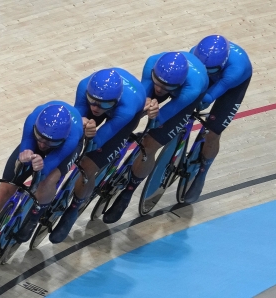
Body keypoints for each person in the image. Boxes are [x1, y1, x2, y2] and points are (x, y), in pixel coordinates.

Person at [0, 101, 84, 263]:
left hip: (60, 152)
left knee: (47, 181)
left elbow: (47, 168)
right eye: (39, 138)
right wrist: (25, 155)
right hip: (46, 138)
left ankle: (34, 216)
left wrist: (41, 167)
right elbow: (27, 145)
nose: (42, 144)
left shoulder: (71, 138)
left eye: (48, 142)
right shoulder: (33, 120)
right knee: (6, 187)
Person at [102, 51, 209, 223]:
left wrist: (153, 116)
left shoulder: (192, 87)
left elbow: (163, 116)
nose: (159, 89)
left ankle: (128, 191)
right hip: (168, 81)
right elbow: (142, 97)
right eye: (157, 83)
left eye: (163, 87)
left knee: (149, 143)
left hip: (183, 97)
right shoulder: (152, 62)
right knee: (136, 110)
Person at [48, 68, 148, 243]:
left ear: (115, 100)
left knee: (88, 165)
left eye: (103, 105)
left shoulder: (127, 108)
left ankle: (74, 209)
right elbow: (77, 124)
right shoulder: (84, 87)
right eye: (92, 102)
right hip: (106, 99)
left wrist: (91, 139)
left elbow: (97, 141)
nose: (95, 108)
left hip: (122, 119)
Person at [183, 35, 252, 202]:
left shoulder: (236, 70)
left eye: (211, 69)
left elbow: (208, 98)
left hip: (230, 88)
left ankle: (202, 172)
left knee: (212, 133)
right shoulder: (194, 53)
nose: (207, 70)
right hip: (210, 79)